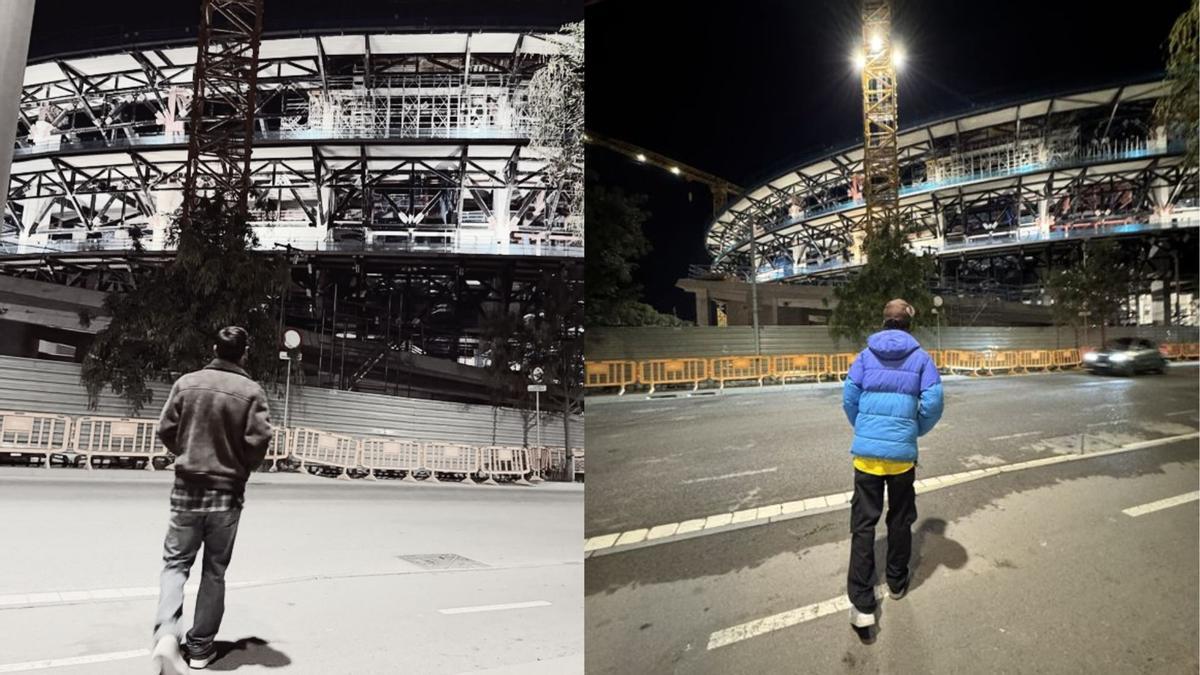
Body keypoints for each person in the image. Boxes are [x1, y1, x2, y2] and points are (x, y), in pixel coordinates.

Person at [151, 326, 273, 673]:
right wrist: (238, 467)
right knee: (214, 571)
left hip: (187, 488)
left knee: (175, 565)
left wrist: (186, 452)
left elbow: (166, 429)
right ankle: (201, 650)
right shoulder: (251, 392)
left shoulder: (187, 383)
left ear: (214, 348)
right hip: (226, 494)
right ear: (244, 352)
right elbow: (259, 442)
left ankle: (166, 634)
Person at [841, 299, 943, 633]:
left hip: (867, 457)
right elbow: (934, 403)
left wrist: (866, 429)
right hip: (901, 460)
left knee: (863, 525)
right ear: (908, 324)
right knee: (900, 520)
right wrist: (911, 432)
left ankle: (862, 604)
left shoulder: (865, 356)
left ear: (884, 321)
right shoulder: (922, 358)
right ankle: (897, 582)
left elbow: (849, 398)